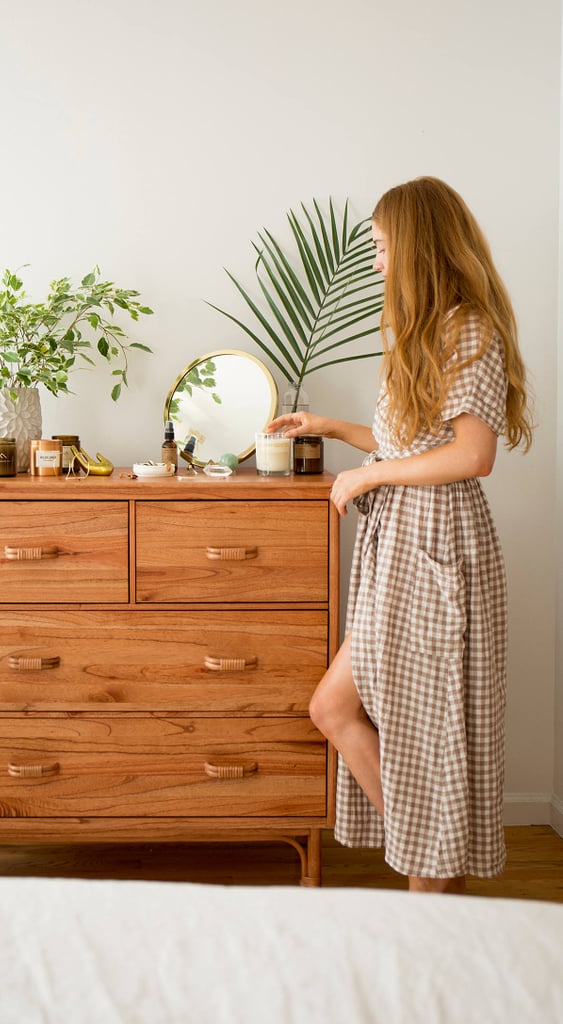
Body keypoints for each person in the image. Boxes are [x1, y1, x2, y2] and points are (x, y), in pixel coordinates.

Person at [267, 176, 533, 893]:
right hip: (404, 553)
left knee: (426, 727)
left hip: (437, 549)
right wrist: (329, 428)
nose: (376, 260)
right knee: (335, 706)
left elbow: (471, 456)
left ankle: (430, 904)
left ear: (415, 244)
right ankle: (433, 874)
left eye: (383, 246)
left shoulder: (467, 327)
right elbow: (409, 440)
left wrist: (368, 477)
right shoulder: (425, 329)